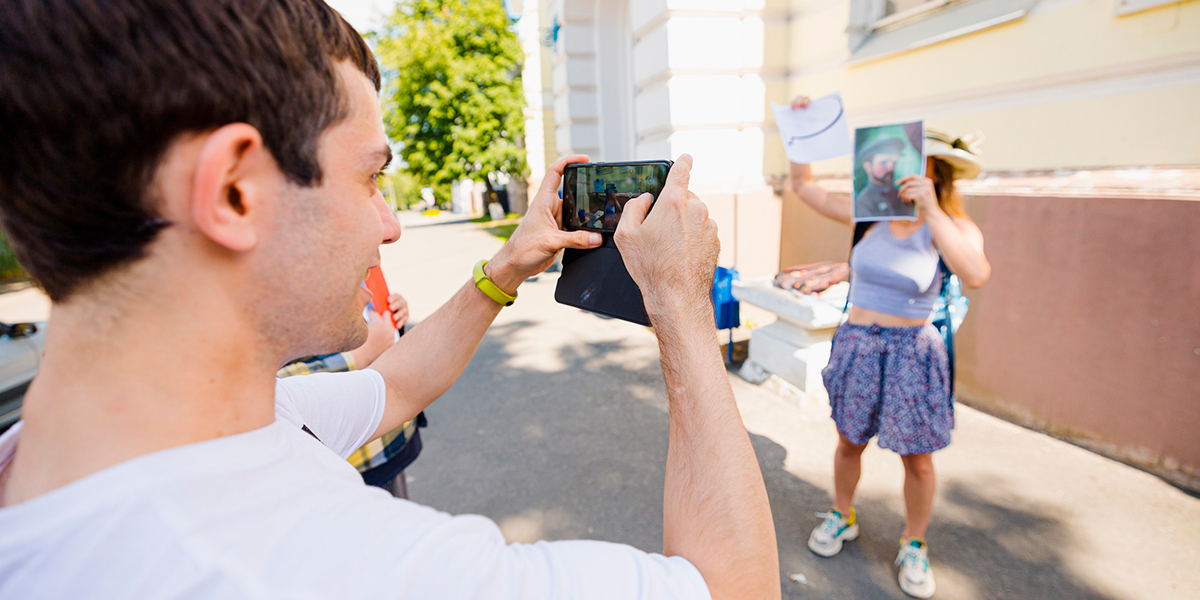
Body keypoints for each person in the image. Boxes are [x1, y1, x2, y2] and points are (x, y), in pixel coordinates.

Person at [0, 2, 779, 599]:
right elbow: (735, 584)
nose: (391, 223)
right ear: (234, 192)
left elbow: (396, 385)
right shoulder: (328, 568)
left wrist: (505, 267)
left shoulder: (88, 452)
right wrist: (678, 306)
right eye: (371, 177)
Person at [788, 95, 992, 599]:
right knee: (848, 441)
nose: (895, 168)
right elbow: (803, 187)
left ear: (935, 171)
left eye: (913, 162)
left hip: (914, 352)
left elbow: (977, 273)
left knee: (918, 459)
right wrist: (801, 127)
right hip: (858, 344)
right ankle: (842, 515)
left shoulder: (954, 227)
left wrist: (930, 210)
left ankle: (914, 543)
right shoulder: (868, 215)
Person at [278, 292, 423, 498]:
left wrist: (392, 316)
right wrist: (361, 354)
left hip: (387, 438)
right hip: (349, 459)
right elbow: (275, 387)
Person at [855, 137, 909, 219]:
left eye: (894, 163)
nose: (890, 168)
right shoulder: (864, 202)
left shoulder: (901, 194)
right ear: (868, 167)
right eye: (883, 163)